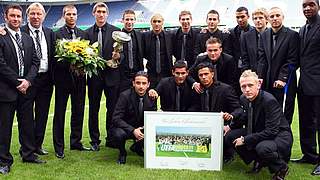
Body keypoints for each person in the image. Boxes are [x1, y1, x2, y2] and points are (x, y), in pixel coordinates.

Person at [0, 4, 44, 175]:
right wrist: (17, 82)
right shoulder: (1, 37)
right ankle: (4, 160)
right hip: (6, 91)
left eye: (18, 16)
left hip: (26, 89)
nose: (16, 19)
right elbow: (1, 64)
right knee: (4, 128)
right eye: (13, 16)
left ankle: (28, 154)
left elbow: (35, 62)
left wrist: (27, 81)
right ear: (6, 17)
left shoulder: (27, 38)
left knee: (27, 125)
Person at [224, 70, 292, 180]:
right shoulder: (243, 98)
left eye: (250, 85)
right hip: (259, 130)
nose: (247, 89)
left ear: (258, 84)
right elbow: (245, 118)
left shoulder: (269, 100)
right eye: (243, 86)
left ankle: (281, 168)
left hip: (279, 135)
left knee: (262, 148)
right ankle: (259, 161)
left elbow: (271, 131)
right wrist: (230, 126)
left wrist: (245, 139)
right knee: (230, 136)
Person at [53, 4, 90, 159]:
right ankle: (59, 146)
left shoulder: (83, 33)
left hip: (80, 80)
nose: (72, 16)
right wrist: (69, 63)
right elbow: (55, 58)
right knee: (60, 113)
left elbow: (89, 56)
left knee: (78, 111)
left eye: (74, 14)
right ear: (64, 16)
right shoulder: (57, 34)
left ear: (77, 16)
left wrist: (83, 64)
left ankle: (76, 141)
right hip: (63, 80)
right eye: (68, 14)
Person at [86, 2, 121, 151]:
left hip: (112, 76)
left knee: (112, 109)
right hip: (94, 77)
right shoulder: (86, 33)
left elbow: (122, 55)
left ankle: (111, 138)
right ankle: (94, 140)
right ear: (94, 14)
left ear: (107, 14)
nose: (101, 14)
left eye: (103, 12)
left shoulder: (116, 32)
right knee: (93, 109)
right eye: (98, 11)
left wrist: (118, 56)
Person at [188, 63, 240, 163]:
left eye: (206, 74)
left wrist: (230, 117)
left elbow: (238, 110)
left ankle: (227, 154)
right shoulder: (197, 90)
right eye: (200, 75)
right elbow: (193, 108)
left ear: (212, 74)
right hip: (202, 124)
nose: (203, 77)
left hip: (222, 125)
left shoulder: (225, 89)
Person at [22, 2, 55, 156]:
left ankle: (37, 145)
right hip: (28, 80)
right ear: (27, 15)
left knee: (42, 115)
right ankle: (26, 147)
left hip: (46, 80)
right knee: (26, 116)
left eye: (39, 14)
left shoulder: (50, 32)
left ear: (44, 15)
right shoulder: (20, 31)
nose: (36, 17)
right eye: (32, 14)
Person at [257, 7, 299, 125]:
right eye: (272, 16)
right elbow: (262, 58)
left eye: (277, 15)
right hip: (268, 81)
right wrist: (260, 76)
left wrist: (282, 78)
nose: (275, 18)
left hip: (286, 81)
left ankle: (284, 140)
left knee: (285, 113)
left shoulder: (292, 35)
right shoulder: (264, 35)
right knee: (269, 112)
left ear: (283, 17)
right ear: (268, 19)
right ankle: (271, 140)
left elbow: (292, 60)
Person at [293, 0, 320, 176]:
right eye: (304, 5)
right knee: (306, 121)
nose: (307, 8)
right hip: (303, 84)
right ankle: (310, 155)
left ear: (318, 6)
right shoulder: (303, 29)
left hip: (318, 84)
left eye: (311, 4)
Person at [108, 71, 157, 164]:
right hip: (126, 128)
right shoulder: (124, 96)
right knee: (118, 134)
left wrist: (143, 129)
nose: (141, 86)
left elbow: (152, 118)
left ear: (148, 84)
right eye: (138, 83)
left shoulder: (152, 97)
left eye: (144, 83)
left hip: (142, 128)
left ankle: (137, 147)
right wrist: (133, 130)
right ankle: (122, 153)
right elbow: (116, 118)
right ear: (133, 83)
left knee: (154, 131)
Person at [142, 13, 173, 88]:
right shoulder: (145, 36)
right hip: (151, 74)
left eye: (159, 21)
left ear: (162, 22)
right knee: (151, 98)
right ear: (151, 23)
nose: (156, 24)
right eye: (154, 21)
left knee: (167, 98)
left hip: (166, 74)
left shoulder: (170, 36)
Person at [230, 7, 254, 96]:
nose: (240, 19)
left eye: (242, 17)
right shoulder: (231, 32)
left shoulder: (254, 32)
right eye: (237, 17)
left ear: (248, 16)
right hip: (235, 69)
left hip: (250, 68)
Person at [119, 9, 144, 92]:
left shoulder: (140, 36)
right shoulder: (117, 35)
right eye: (127, 19)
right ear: (122, 20)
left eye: (131, 19)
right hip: (122, 77)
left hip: (137, 75)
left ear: (135, 20)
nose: (129, 22)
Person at [241, 8, 268, 72]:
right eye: (255, 18)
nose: (258, 20)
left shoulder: (272, 35)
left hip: (269, 74)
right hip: (252, 73)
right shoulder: (246, 36)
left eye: (261, 18)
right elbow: (245, 58)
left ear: (267, 19)